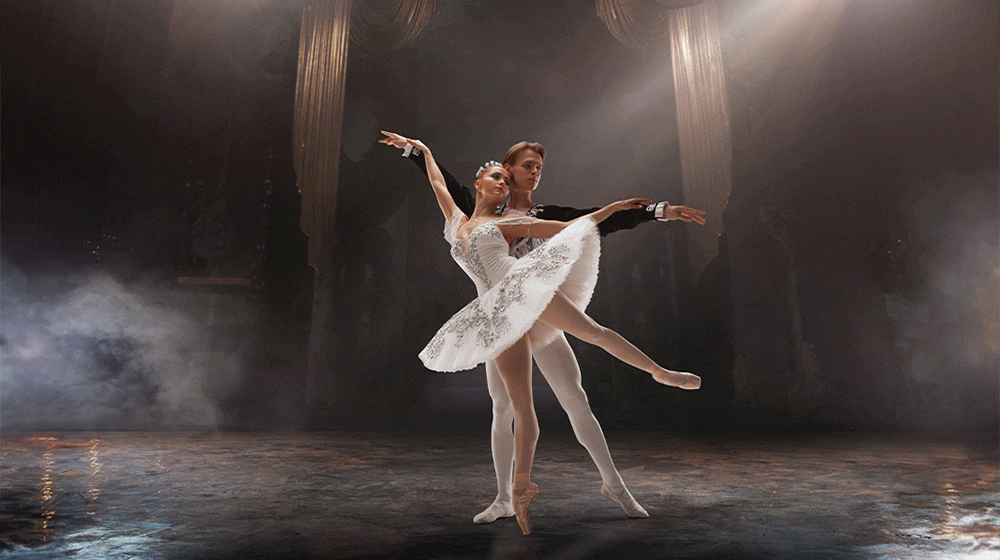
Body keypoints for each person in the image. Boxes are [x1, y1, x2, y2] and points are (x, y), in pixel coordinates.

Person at [381, 131, 706, 525]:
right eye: (525, 168)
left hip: (533, 300)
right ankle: (504, 496)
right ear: (505, 172)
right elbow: (442, 184)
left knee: (575, 395)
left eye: (539, 168)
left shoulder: (526, 217)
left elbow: (590, 222)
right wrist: (417, 150)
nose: (532, 174)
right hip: (498, 315)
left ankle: (615, 483)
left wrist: (656, 210)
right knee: (504, 407)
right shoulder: (474, 216)